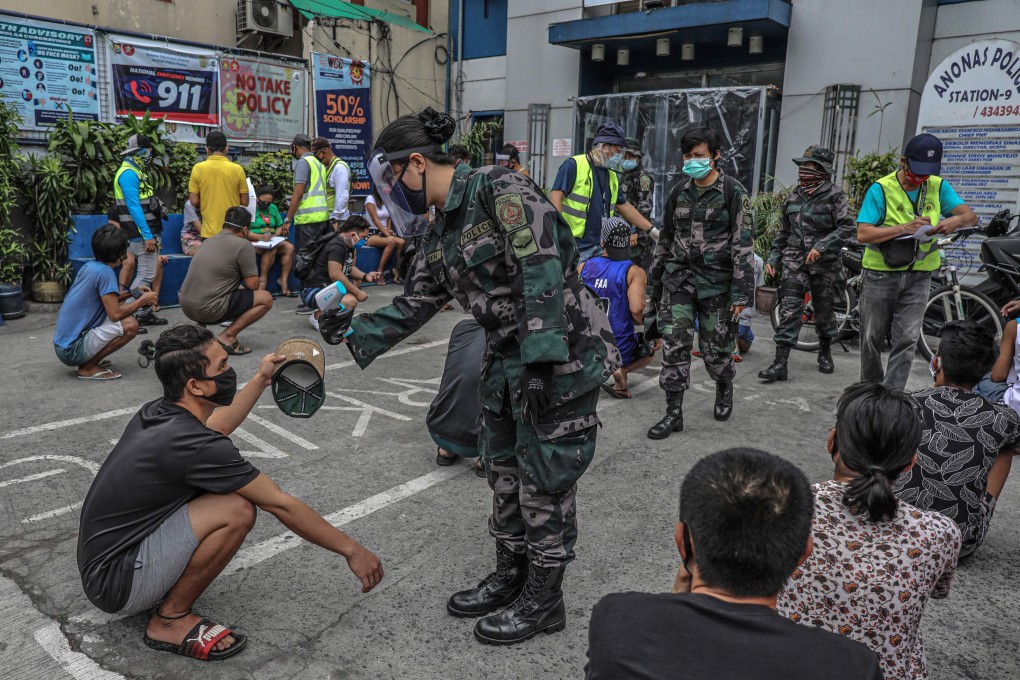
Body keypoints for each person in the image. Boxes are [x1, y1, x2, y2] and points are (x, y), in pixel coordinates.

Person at [318, 108, 620, 645]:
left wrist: (541, 359)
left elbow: (542, 265)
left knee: (545, 478)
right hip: (505, 359)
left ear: (416, 163)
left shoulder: (498, 188)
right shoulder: (440, 228)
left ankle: (545, 599)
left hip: (559, 355)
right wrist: (351, 331)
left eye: (392, 177)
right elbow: (417, 302)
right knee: (503, 470)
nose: (392, 191)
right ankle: (511, 574)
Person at [77, 324, 383, 661]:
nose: (229, 372)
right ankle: (170, 619)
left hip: (104, 566)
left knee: (221, 497)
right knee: (236, 509)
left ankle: (161, 594)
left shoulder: (160, 413)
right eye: (221, 367)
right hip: (117, 583)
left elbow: (218, 425)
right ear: (195, 385)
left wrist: (261, 380)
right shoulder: (197, 447)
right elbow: (279, 503)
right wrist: (352, 550)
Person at [586, 448, 882, 680]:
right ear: (803, 553)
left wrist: (677, 599)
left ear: (683, 542)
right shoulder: (851, 666)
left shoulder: (618, 620)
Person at [777, 381, 961, 680]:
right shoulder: (941, 533)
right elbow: (939, 591)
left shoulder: (782, 504)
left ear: (832, 441)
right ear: (910, 463)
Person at [645, 126, 754, 439]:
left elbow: (743, 243)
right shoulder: (679, 192)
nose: (692, 161)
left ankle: (724, 383)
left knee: (714, 354)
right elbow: (665, 238)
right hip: (678, 280)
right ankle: (672, 412)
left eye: (699, 156)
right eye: (688, 156)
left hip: (717, 285)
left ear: (716, 156)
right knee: (674, 345)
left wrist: (741, 291)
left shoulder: (734, 192)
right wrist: (655, 282)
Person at [856, 133, 977, 391]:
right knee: (871, 338)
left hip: (920, 275)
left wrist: (954, 221)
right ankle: (871, 391)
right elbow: (863, 233)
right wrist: (903, 228)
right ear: (903, 162)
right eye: (916, 171)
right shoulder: (881, 188)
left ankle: (893, 395)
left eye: (926, 173)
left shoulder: (937, 186)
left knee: (907, 339)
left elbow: (969, 216)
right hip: (880, 274)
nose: (920, 179)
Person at [896, 321, 1020, 557]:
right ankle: (970, 515)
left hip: (891, 527)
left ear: (936, 362)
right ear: (985, 371)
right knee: (1005, 448)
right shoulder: (1002, 417)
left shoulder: (905, 403)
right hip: (956, 543)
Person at [760, 146, 856, 383]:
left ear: (822, 170)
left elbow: (847, 228)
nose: (803, 170)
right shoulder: (794, 195)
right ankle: (780, 363)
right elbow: (784, 231)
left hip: (825, 265)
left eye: (808, 166)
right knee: (790, 309)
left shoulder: (836, 195)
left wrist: (822, 247)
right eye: (802, 166)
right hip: (795, 261)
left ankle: (824, 353)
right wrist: (773, 258)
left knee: (824, 312)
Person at [53, 226, 151, 380]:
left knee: (123, 321)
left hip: (63, 344)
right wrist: (143, 300)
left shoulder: (90, 267)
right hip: (71, 350)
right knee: (131, 325)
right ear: (119, 254)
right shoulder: (106, 273)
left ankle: (91, 358)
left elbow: (107, 300)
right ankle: (88, 366)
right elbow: (115, 314)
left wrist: (133, 292)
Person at [549, 122, 653, 262]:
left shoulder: (611, 174)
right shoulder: (574, 165)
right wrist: (558, 234)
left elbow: (624, 206)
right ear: (604, 147)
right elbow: (556, 198)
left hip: (600, 247)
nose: (619, 156)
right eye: (617, 151)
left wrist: (651, 230)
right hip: (575, 246)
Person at [178, 206, 274, 355]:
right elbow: (252, 285)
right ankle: (227, 336)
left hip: (186, 306)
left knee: (222, 286)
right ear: (245, 230)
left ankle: (201, 331)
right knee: (265, 298)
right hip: (207, 309)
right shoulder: (244, 245)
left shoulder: (207, 241)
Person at [580, 217, 655, 399]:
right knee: (651, 345)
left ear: (602, 242)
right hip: (618, 347)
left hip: (586, 344)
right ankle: (621, 370)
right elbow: (637, 309)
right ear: (629, 242)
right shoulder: (634, 271)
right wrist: (652, 331)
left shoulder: (583, 267)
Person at [113, 133, 166, 327]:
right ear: (140, 151)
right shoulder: (128, 174)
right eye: (148, 150)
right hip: (139, 234)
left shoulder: (135, 172)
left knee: (146, 274)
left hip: (142, 232)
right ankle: (127, 315)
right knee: (146, 275)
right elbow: (134, 207)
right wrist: (147, 235)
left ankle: (142, 315)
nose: (150, 154)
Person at [300, 216, 379, 332]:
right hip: (312, 290)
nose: (364, 240)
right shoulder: (336, 246)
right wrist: (357, 292)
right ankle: (318, 317)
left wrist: (365, 276)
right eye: (362, 237)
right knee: (350, 301)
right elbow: (335, 274)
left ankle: (331, 318)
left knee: (351, 295)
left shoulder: (349, 246)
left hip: (327, 288)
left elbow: (349, 268)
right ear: (353, 235)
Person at [431, 317, 487, 476]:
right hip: (474, 442)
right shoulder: (511, 334)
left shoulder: (463, 326)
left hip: (437, 429)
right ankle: (486, 460)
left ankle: (446, 452)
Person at [187, 130, 248, 239]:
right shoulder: (237, 169)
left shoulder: (198, 168)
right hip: (232, 233)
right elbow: (245, 202)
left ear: (207, 149)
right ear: (226, 148)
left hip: (209, 233)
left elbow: (194, 201)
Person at [281, 133, 329, 256]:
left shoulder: (303, 162)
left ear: (295, 147)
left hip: (308, 222)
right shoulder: (319, 164)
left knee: (304, 261)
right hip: (322, 219)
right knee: (317, 259)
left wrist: (288, 220)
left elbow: (298, 193)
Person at [249, 186, 296, 297]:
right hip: (254, 240)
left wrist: (276, 235)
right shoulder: (250, 209)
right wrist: (260, 237)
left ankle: (283, 280)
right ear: (257, 198)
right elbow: (243, 231)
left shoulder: (273, 208)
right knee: (271, 248)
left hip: (270, 239)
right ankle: (263, 280)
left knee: (289, 248)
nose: (266, 205)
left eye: (269, 203)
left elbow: (279, 225)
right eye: (264, 202)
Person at [619, 136, 655, 271]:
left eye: (632, 157)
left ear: (638, 158)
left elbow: (645, 207)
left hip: (637, 236)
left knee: (636, 270)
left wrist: (634, 231)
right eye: (625, 156)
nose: (628, 160)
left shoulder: (642, 177)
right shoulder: (624, 175)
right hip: (622, 232)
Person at [363, 191, 404, 283]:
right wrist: (388, 235)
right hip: (372, 232)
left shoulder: (388, 200)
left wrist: (388, 230)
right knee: (391, 242)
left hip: (384, 232)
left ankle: (396, 269)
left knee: (402, 242)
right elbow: (375, 219)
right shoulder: (370, 199)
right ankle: (380, 273)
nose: (386, 189)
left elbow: (389, 218)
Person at [310, 137, 352, 223]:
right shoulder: (326, 167)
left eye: (315, 154)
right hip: (327, 217)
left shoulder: (339, 168)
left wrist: (334, 218)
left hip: (337, 220)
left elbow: (342, 195)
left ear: (323, 152)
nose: (315, 158)